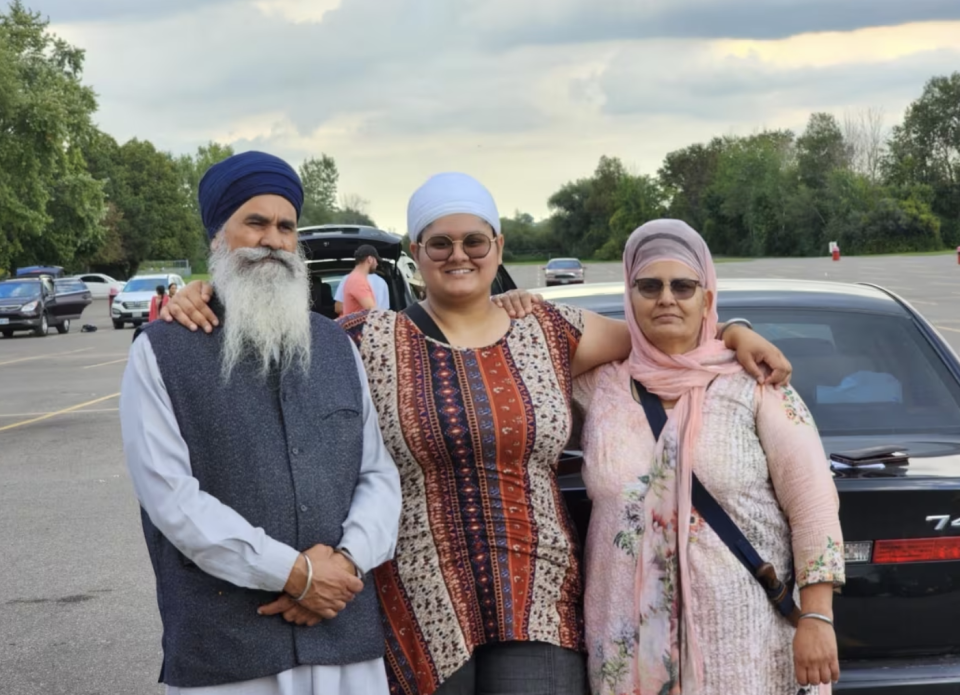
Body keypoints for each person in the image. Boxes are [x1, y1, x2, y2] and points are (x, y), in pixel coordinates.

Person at [163, 172, 792, 695]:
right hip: (415, 595)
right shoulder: (366, 341)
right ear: (416, 251)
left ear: (497, 244)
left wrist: (734, 330)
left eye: (473, 240)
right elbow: (263, 346)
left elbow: (666, 331)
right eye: (439, 244)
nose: (458, 255)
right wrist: (198, 297)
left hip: (539, 590)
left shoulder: (551, 331)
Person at [120, 150, 402, 695]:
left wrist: (345, 563)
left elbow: (377, 476)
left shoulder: (336, 346)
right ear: (217, 237)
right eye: (255, 222)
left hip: (344, 642)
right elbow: (172, 500)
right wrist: (295, 574)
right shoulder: (161, 353)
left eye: (285, 226)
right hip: (226, 657)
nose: (272, 239)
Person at [575, 219, 843, 695]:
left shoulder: (756, 385)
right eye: (648, 286)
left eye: (683, 286)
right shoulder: (599, 388)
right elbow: (515, 356)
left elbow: (813, 505)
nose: (666, 299)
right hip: (627, 643)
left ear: (707, 295)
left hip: (746, 641)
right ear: (629, 294)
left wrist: (818, 616)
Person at [334, 247, 390, 315]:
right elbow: (372, 310)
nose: (377, 264)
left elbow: (338, 308)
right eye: (376, 260)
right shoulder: (358, 280)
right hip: (363, 324)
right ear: (370, 259)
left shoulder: (349, 278)